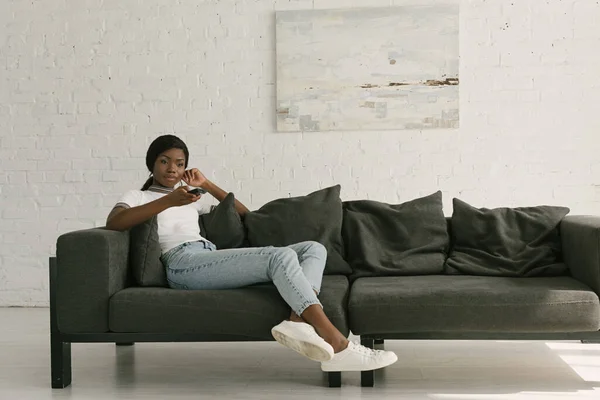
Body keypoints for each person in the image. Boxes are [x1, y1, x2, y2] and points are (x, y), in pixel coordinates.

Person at [106, 134, 398, 372]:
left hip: (204, 256)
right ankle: (337, 343)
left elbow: (245, 214)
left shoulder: (190, 198)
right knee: (279, 256)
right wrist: (169, 201)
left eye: (179, 164)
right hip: (181, 264)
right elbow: (115, 222)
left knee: (313, 248)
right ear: (152, 163)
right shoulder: (138, 196)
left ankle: (298, 321)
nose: (172, 169)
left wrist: (206, 184)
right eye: (165, 161)